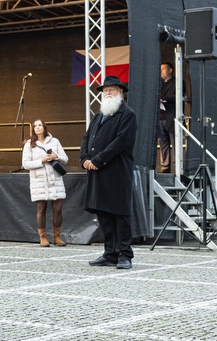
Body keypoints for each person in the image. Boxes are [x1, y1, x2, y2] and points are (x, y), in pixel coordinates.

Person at [81, 75, 138, 270]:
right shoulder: (98, 116)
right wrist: (85, 159)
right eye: (105, 91)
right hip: (97, 173)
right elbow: (87, 138)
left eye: (111, 90)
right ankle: (110, 253)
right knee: (104, 214)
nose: (107, 93)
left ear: (120, 93)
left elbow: (121, 142)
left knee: (120, 215)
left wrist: (98, 160)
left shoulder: (127, 114)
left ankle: (125, 254)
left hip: (117, 173)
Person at [22, 119, 68, 247]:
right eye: (35, 125)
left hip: (55, 178)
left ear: (44, 127)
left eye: (40, 125)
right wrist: (41, 160)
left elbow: (65, 159)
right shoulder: (29, 144)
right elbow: (25, 164)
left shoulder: (55, 141)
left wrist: (55, 157)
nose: (37, 127)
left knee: (58, 209)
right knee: (41, 208)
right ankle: (42, 237)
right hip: (39, 180)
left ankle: (57, 237)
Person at [156, 62, 175, 173]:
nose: (161, 71)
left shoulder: (177, 82)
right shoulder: (161, 84)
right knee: (163, 143)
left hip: (171, 117)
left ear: (170, 70)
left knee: (174, 141)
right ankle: (164, 168)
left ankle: (176, 167)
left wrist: (164, 100)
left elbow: (174, 97)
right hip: (161, 117)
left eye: (163, 69)